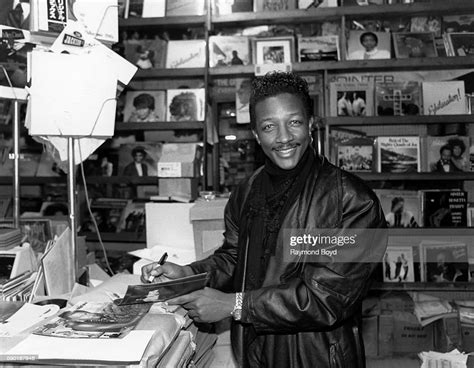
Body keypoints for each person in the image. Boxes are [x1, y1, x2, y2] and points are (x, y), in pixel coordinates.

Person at [142, 72, 387, 368]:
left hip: (318, 356)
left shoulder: (355, 201)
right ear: (257, 135)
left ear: (311, 125)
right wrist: (187, 273)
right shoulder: (246, 192)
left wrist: (233, 305)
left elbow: (328, 297)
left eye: (294, 122)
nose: (284, 137)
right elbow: (234, 258)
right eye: (269, 127)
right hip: (254, 350)